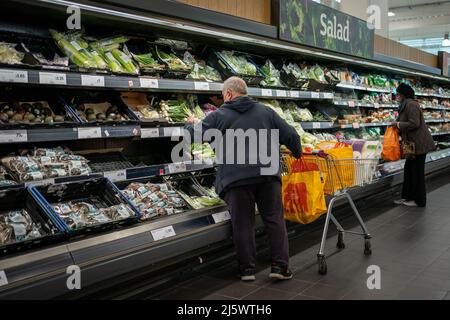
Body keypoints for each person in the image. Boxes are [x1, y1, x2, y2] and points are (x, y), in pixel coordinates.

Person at [185, 76, 302, 281]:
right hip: (267, 175)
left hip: (235, 179)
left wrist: (189, 124)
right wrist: (298, 152)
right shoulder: (267, 112)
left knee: (242, 224)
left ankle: (247, 270)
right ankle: (280, 267)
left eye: (223, 96)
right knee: (274, 220)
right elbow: (291, 134)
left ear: (229, 94)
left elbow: (195, 136)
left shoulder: (219, 115)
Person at [392, 83, 435, 207]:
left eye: (398, 94)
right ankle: (407, 197)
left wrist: (398, 125)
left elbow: (414, 123)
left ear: (404, 94)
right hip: (410, 145)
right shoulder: (404, 105)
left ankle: (419, 201)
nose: (396, 96)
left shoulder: (411, 104)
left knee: (417, 173)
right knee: (409, 171)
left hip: (419, 144)